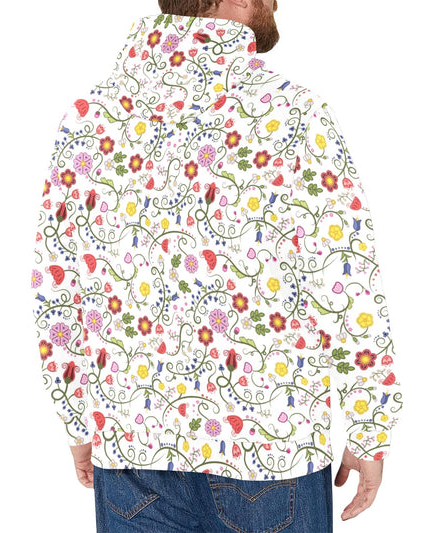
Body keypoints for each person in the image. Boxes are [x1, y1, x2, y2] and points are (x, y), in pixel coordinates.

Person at [30, 0, 402, 530]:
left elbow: (56, 289)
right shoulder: (292, 115)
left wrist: (76, 421)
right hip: (269, 453)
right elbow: (346, 279)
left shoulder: (88, 118)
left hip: (133, 450)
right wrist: (370, 427)